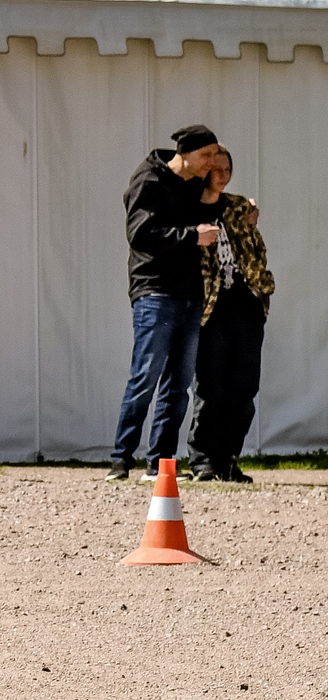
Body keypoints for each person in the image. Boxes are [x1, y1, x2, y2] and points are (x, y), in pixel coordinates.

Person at [111, 126, 226, 480]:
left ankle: (160, 464)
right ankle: (120, 460)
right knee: (146, 376)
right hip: (155, 291)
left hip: (190, 293)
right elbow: (139, 234)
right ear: (185, 153)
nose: (211, 163)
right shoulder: (148, 179)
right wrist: (192, 236)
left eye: (215, 156)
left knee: (178, 386)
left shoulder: (194, 185)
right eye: (206, 155)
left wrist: (216, 196)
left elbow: (208, 218)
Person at [184, 147, 270, 483]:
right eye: (216, 169)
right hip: (210, 306)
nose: (222, 175)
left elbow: (255, 249)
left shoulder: (237, 207)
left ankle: (228, 459)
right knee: (210, 384)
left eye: (227, 169)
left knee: (244, 386)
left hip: (245, 302)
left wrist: (261, 292)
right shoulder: (187, 208)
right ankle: (203, 459)